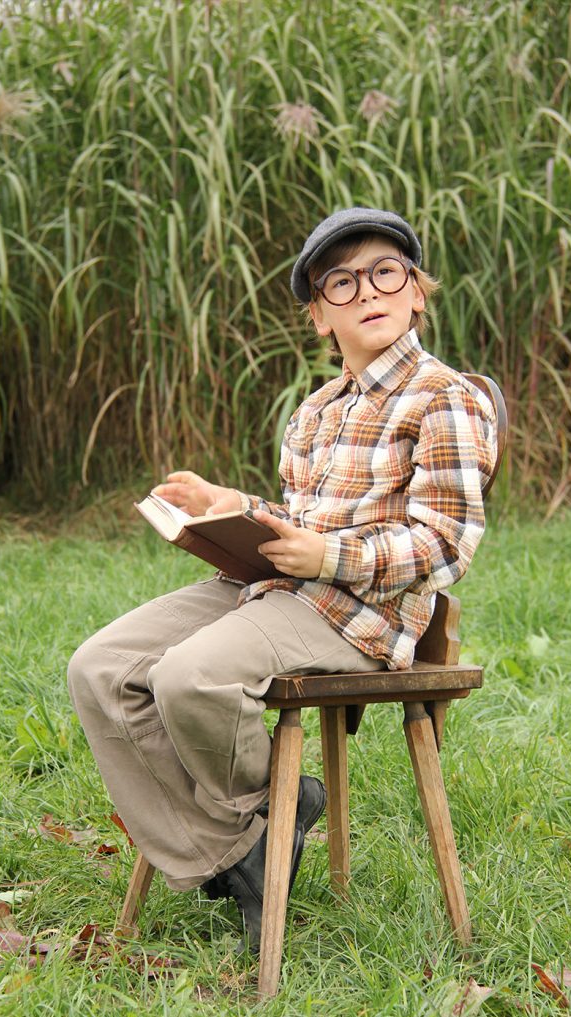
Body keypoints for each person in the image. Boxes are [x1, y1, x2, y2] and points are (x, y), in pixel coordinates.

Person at [68, 207, 498, 951]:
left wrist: (329, 559)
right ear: (319, 318)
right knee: (100, 666)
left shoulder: (444, 398)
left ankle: (240, 844)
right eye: (340, 282)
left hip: (359, 615)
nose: (366, 290)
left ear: (416, 292)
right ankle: (247, 841)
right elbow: (302, 517)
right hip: (277, 590)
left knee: (191, 677)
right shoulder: (313, 413)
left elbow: (445, 543)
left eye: (384, 272)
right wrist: (235, 510)